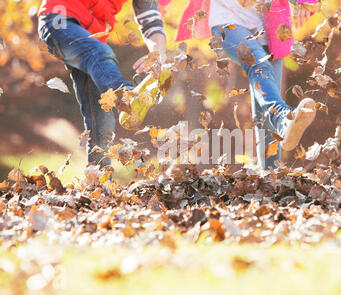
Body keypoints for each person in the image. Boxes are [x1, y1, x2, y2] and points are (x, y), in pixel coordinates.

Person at [171, 0, 319, 169]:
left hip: (271, 22)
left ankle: (271, 176)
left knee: (268, 98)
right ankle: (282, 117)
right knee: (259, 64)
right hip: (226, 20)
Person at [37, 0, 167, 167]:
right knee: (100, 53)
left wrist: (158, 53)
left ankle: (97, 180)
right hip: (58, 20)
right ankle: (125, 96)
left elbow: (151, 20)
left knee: (100, 119)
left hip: (91, 39)